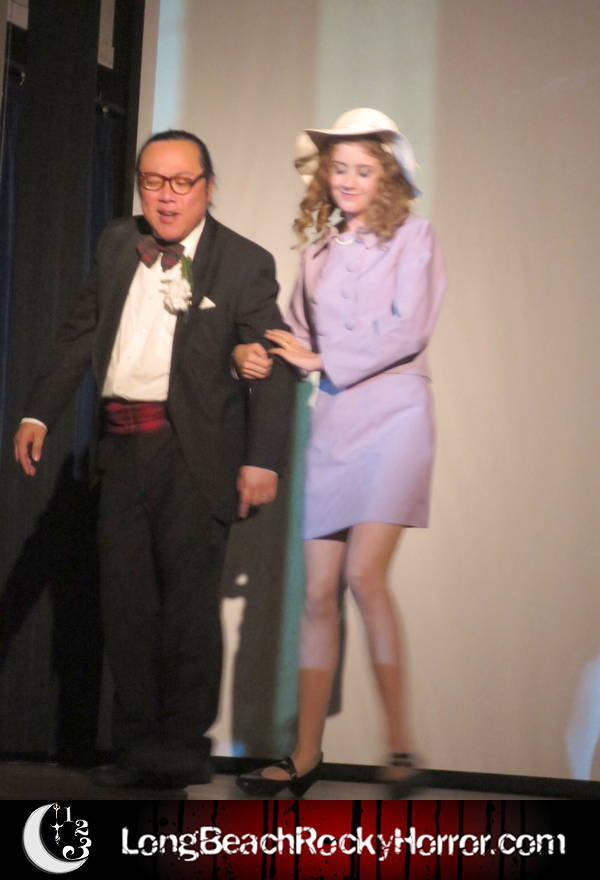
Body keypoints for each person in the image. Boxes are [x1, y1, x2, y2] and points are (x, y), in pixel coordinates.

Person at [13, 129, 294, 789]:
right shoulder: (119, 242)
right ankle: (138, 751)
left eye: (181, 182)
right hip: (119, 448)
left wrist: (263, 459)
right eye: (152, 182)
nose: (166, 197)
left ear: (208, 187)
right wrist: (38, 412)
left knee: (187, 611)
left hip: (190, 453)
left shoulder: (243, 262)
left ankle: (181, 753)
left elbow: (275, 358)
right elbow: (80, 331)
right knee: (127, 606)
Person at [233, 108, 446, 797]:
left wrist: (320, 358)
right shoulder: (317, 255)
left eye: (363, 169)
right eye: (339, 168)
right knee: (318, 591)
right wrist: (254, 353)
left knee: (363, 575)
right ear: (324, 175)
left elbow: (408, 330)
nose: (349, 179)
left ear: (387, 176)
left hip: (395, 417)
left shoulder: (414, 238)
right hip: (334, 422)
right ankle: (305, 754)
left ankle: (401, 749)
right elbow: (293, 339)